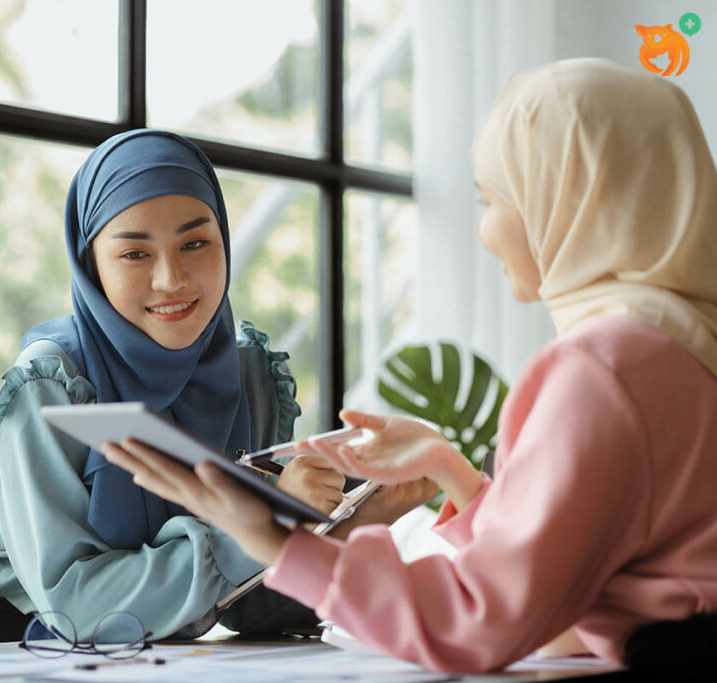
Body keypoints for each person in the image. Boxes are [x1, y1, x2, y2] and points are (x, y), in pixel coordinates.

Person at [102, 59, 717, 673]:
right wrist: (453, 472)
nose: (483, 230)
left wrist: (272, 539)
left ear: (569, 203)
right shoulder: (679, 346)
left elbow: (480, 624)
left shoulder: (603, 369)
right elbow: (564, 584)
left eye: (492, 199)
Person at [0, 129, 432, 649]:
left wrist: (359, 520)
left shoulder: (251, 375)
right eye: (134, 253)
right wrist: (265, 520)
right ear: (90, 264)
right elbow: (77, 609)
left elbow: (242, 603)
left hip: (145, 656)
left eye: (196, 242)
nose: (171, 279)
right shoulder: (53, 385)